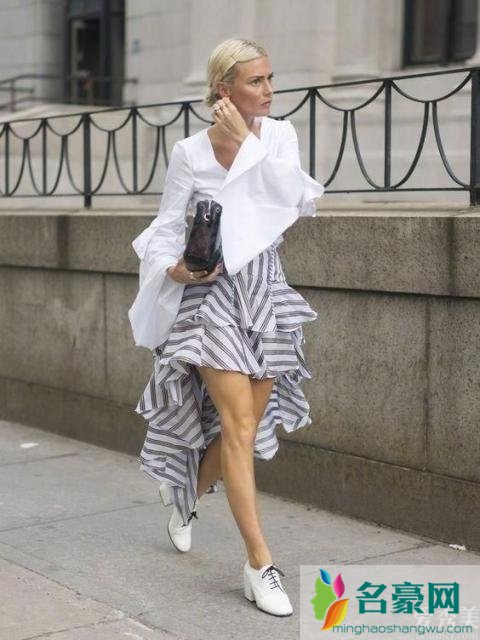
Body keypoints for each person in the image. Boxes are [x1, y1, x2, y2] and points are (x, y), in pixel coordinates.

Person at [128, 37, 325, 617]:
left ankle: (185, 491)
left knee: (245, 425)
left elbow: (297, 199)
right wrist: (174, 268)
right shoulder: (189, 151)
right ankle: (259, 565)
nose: (269, 89)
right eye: (256, 81)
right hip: (208, 297)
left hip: (264, 291)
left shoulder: (278, 137)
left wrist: (247, 142)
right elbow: (168, 226)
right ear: (224, 89)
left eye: (270, 78)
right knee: (239, 425)